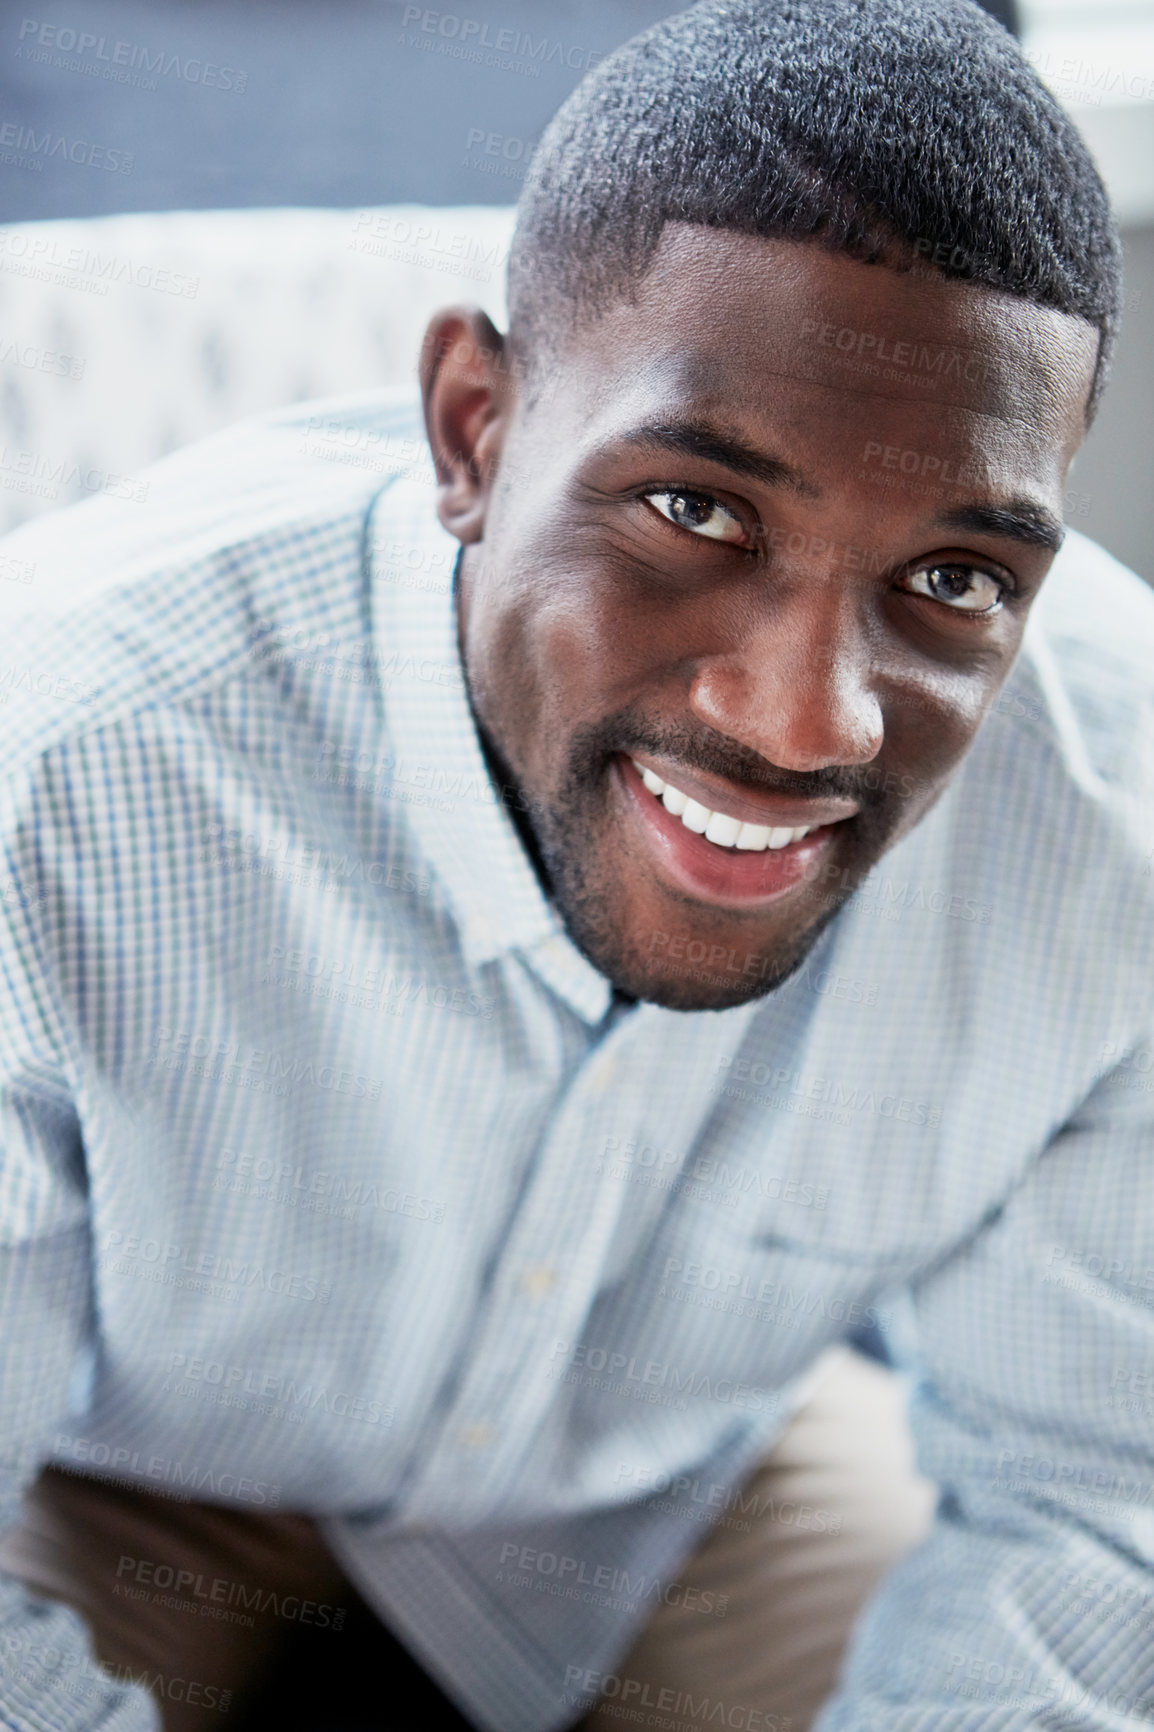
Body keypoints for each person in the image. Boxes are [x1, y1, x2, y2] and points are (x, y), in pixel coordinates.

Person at [0, 0, 1151, 1728]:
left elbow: (1092, 1501)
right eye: (697, 511)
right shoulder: (60, 762)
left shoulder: (1116, 832)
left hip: (670, 1487)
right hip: (120, 1469)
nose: (804, 721)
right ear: (473, 428)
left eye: (953, 578)